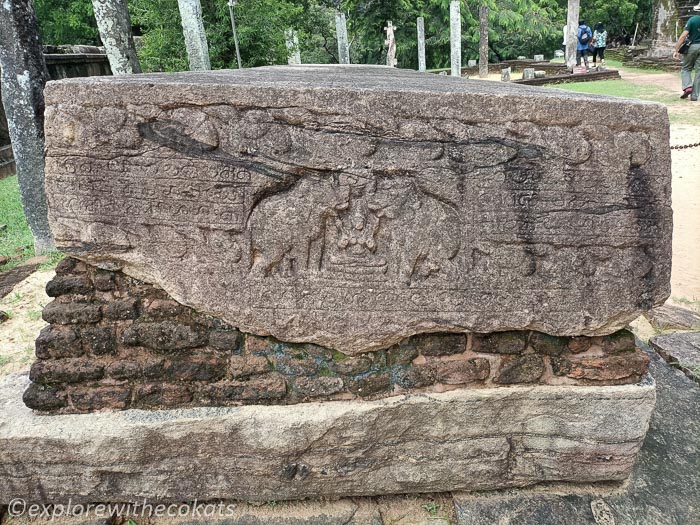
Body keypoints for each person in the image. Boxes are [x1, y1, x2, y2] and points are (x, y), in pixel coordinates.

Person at [673, 14, 700, 101]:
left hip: (693, 46)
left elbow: (683, 36)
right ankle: (694, 96)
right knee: (699, 72)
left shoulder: (693, 20)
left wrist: (676, 50)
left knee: (686, 68)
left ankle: (688, 87)